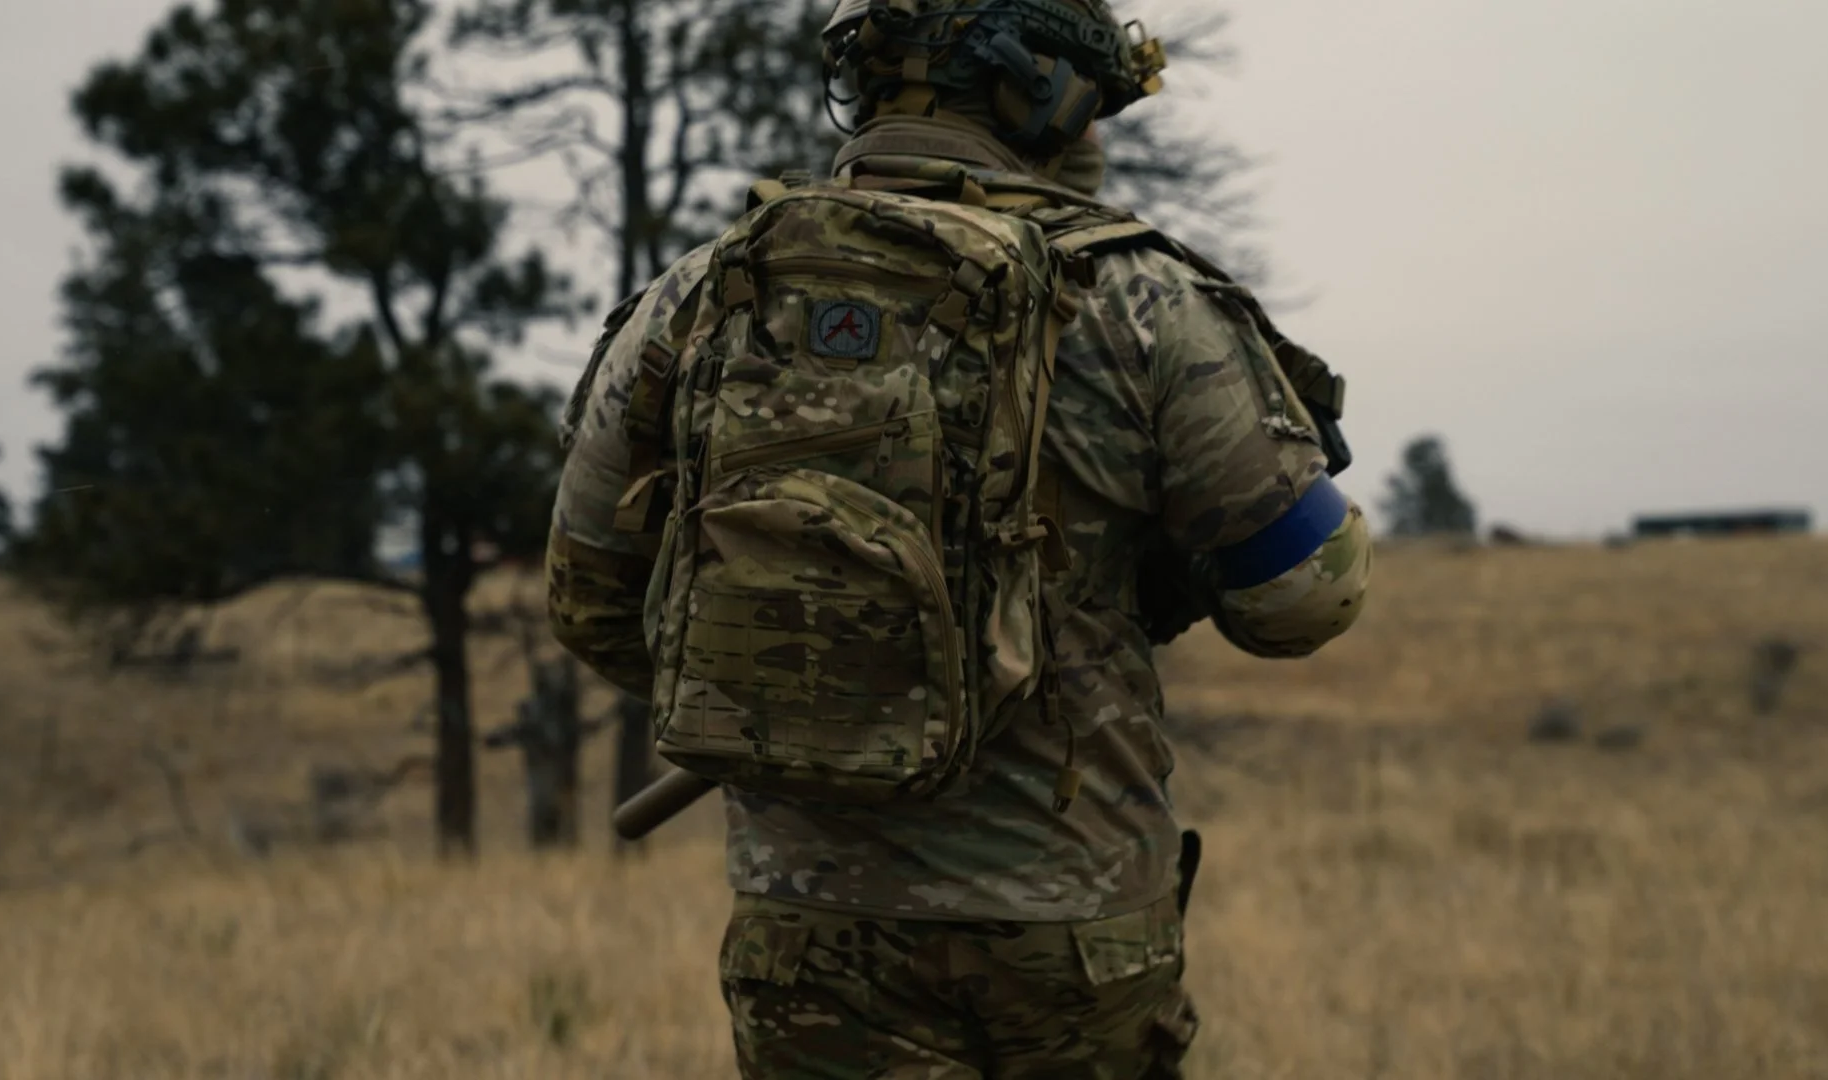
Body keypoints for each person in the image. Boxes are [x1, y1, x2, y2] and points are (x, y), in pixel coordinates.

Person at [545, 1, 1375, 1075]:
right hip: (1067, 929)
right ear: (1050, 92)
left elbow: (590, 602)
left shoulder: (700, 299)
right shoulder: (1146, 301)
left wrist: (814, 686)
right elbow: (1306, 596)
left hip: (808, 929)